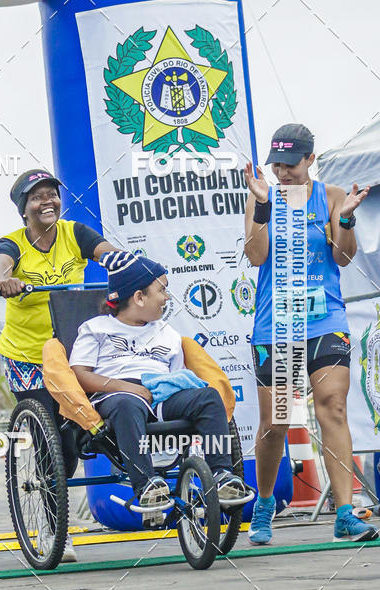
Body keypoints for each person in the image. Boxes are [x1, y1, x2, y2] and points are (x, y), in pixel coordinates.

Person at [244, 123, 378, 544]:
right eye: (276, 165)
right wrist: (263, 207)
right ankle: (265, 501)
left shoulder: (332, 195)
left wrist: (346, 217)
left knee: (333, 408)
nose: (282, 173)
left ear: (310, 161)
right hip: (277, 324)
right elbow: (256, 253)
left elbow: (342, 256)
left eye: (289, 165)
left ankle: (343, 510)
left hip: (324, 320)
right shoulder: (261, 196)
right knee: (277, 422)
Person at [0, 169, 118, 561]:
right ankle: (58, 525)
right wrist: (4, 281)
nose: (47, 202)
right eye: (37, 197)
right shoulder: (13, 243)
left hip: (76, 349)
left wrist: (121, 261)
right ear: (24, 209)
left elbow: (104, 251)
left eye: (52, 194)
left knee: (78, 433)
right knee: (51, 435)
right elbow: (0, 266)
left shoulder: (75, 233)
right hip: (29, 356)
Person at [69, 251, 249, 515]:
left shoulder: (166, 332)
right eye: (162, 290)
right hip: (114, 394)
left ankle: (221, 473)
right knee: (127, 404)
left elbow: (175, 376)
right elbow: (80, 374)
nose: (167, 298)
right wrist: (126, 387)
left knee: (209, 397)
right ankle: (146, 486)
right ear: (139, 297)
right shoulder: (95, 328)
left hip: (160, 394)